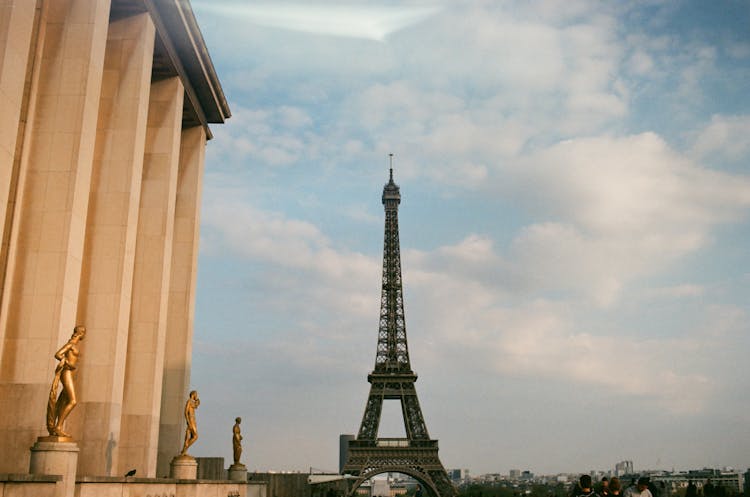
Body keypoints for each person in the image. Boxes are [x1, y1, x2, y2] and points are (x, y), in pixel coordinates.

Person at [46, 325, 86, 437]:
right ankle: (58, 426)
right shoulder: (71, 345)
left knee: (64, 401)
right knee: (73, 401)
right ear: (81, 333)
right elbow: (58, 354)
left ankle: (58, 426)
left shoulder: (74, 345)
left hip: (71, 374)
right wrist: (67, 363)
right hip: (67, 372)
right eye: (84, 333)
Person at [180, 390, 200, 455]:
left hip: (193, 420)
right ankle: (184, 449)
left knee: (190, 436)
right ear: (193, 394)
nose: (196, 396)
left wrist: (197, 400)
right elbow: (186, 412)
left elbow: (196, 406)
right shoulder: (189, 401)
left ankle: (184, 450)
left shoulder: (192, 402)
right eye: (196, 394)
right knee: (195, 436)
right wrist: (188, 422)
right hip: (191, 420)